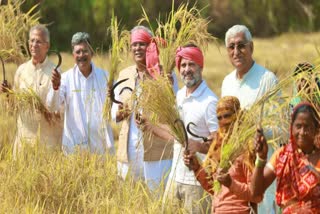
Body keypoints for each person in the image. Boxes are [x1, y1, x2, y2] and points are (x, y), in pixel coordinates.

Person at [112, 26, 178, 191]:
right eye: (134, 44)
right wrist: (119, 113)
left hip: (157, 155)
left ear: (151, 47)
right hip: (128, 154)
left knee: (155, 201)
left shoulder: (165, 75)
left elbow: (174, 110)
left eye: (142, 44)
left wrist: (168, 87)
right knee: (128, 201)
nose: (137, 48)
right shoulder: (124, 74)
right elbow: (114, 110)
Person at [221, 24, 278, 212]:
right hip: (236, 176)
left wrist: (254, 129)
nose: (236, 51)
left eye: (241, 45)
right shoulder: (227, 82)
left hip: (261, 171)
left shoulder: (267, 80)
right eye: (231, 47)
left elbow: (281, 130)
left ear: (251, 47)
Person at [163, 44, 218, 213]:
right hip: (174, 177)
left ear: (201, 66)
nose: (187, 69)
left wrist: (198, 146)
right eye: (183, 65)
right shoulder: (179, 96)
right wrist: (148, 126)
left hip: (197, 183)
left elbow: (220, 143)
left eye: (191, 64)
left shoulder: (210, 102)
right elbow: (175, 136)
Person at [184, 96, 263, 213]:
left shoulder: (247, 149)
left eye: (227, 115)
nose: (223, 121)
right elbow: (214, 189)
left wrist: (231, 183)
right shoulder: (217, 147)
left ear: (238, 115)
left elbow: (256, 196)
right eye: (219, 118)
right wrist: (196, 168)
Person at [46, 32, 114, 155]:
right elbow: (52, 106)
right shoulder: (66, 78)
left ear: (91, 52)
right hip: (74, 150)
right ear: (73, 55)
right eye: (78, 52)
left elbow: (114, 111)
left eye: (85, 51)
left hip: (101, 150)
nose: (81, 55)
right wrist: (55, 87)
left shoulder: (105, 77)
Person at [0, 25, 63, 154]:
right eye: (32, 40)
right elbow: (14, 107)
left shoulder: (55, 72)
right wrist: (8, 93)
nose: (34, 44)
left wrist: (56, 87)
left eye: (38, 41)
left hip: (48, 145)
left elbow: (58, 108)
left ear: (47, 46)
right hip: (24, 143)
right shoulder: (21, 71)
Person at [251, 102, 320, 213]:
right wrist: (261, 158)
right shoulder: (282, 156)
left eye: (307, 127)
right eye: (298, 126)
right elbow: (256, 192)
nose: (302, 132)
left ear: (316, 129)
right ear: (291, 127)